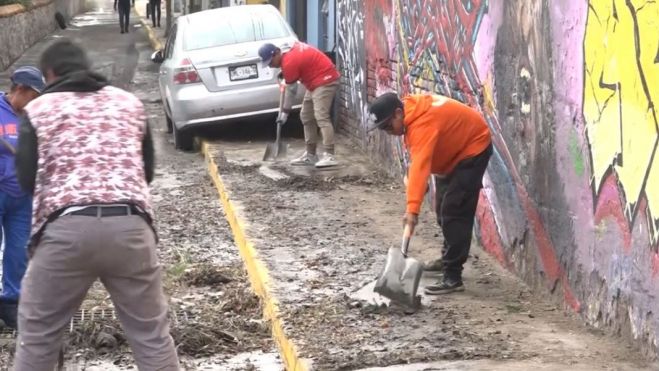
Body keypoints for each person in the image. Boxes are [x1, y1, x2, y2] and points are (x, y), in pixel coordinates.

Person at [13, 39, 180, 370]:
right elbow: (146, 171)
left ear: (49, 75)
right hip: (131, 229)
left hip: (65, 232)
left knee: (39, 336)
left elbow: (27, 179)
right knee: (151, 335)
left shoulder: (39, 109)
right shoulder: (129, 104)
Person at [368, 92, 492, 294]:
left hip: (473, 148)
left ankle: (453, 277)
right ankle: (447, 259)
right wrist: (417, 188)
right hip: (453, 154)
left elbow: (420, 164)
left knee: (454, 210)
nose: (387, 132)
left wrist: (412, 210)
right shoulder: (411, 115)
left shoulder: (422, 122)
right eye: (382, 129)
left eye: (388, 126)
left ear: (399, 113)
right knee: (442, 208)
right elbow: (419, 158)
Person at [0, 66, 44, 329]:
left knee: (18, 251)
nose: (36, 102)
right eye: (34, 96)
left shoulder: (35, 118)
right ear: (19, 90)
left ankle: (11, 302)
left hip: (22, 195)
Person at [258, 42, 340, 168]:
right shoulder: (287, 54)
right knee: (306, 116)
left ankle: (330, 155)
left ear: (276, 53)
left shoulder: (289, 62)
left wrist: (285, 113)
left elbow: (291, 91)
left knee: (321, 116)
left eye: (270, 62)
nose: (270, 66)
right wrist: (286, 73)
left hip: (325, 80)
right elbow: (300, 65)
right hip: (314, 81)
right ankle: (311, 155)